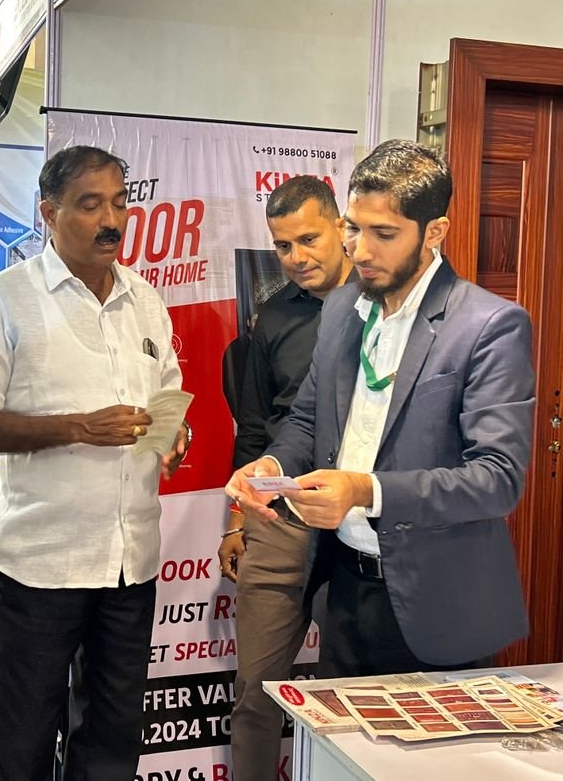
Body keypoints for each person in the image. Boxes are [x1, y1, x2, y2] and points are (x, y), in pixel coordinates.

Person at [226, 140, 536, 677]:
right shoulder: (344, 307)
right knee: (343, 755)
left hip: (437, 600)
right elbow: (306, 419)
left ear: (434, 232)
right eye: (352, 227)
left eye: (384, 234)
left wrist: (365, 491)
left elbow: (496, 478)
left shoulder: (489, 326)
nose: (360, 251)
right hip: (345, 585)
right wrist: (272, 466)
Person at [0, 145, 190, 781]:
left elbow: (165, 398)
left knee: (112, 744)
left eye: (120, 202)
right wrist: (78, 428)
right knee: (22, 745)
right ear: (48, 212)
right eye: (90, 204)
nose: (111, 219)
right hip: (39, 567)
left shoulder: (146, 302)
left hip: (129, 565)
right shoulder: (6, 299)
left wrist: (173, 433)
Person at [221, 175, 352, 781]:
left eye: (308, 239)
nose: (297, 258)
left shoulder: (389, 307)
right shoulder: (272, 316)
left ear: (340, 227)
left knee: (349, 691)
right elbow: (254, 427)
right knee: (255, 691)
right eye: (282, 246)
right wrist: (236, 522)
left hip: (359, 528)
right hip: (279, 521)